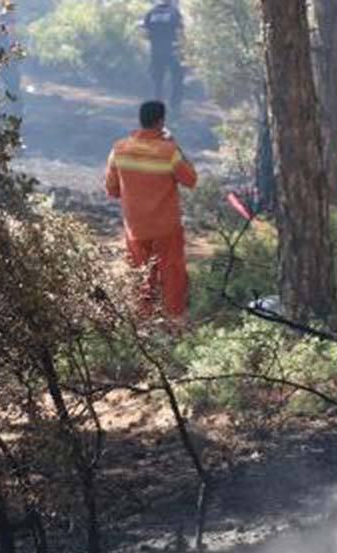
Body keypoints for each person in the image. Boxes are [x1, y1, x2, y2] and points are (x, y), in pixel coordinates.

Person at [105, 101, 198, 320]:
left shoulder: (119, 149)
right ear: (161, 121)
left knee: (140, 276)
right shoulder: (169, 151)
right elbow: (191, 180)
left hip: (135, 228)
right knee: (172, 274)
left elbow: (112, 190)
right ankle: (174, 323)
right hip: (167, 228)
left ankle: (143, 328)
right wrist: (175, 146)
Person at [142, 0, 184, 112]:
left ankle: (158, 106)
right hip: (171, 51)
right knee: (177, 78)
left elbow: (145, 34)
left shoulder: (150, 13)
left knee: (158, 81)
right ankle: (175, 106)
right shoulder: (174, 12)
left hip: (155, 52)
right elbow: (181, 31)